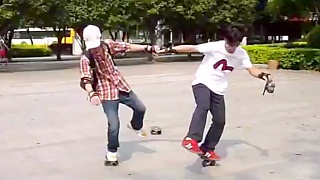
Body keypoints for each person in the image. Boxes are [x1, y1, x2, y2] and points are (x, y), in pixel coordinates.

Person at [161, 24, 273, 161]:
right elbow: (192, 48)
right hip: (202, 82)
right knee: (203, 106)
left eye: (235, 44)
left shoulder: (241, 54)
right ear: (225, 39)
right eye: (229, 43)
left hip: (219, 89)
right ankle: (191, 139)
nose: (231, 48)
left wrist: (263, 75)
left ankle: (207, 149)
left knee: (220, 121)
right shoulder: (215, 46)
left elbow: (251, 69)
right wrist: (170, 49)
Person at [79, 25, 159, 164]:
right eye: (92, 46)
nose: (95, 49)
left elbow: (126, 47)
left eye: (96, 45)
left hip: (121, 87)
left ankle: (135, 125)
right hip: (106, 92)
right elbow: (85, 78)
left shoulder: (108, 45)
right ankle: (112, 152)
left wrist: (148, 48)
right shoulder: (86, 58)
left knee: (141, 108)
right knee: (114, 125)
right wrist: (91, 93)